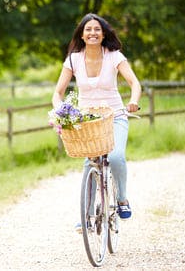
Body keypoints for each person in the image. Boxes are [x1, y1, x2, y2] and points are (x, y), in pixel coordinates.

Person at [52, 13, 142, 220]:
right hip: (87, 121)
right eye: (88, 30)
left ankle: (122, 199)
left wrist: (134, 101)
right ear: (82, 35)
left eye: (97, 29)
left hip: (115, 116)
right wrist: (61, 110)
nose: (93, 33)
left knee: (116, 156)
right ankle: (87, 215)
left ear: (103, 34)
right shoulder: (73, 60)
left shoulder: (114, 56)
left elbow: (134, 83)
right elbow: (57, 93)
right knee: (90, 163)